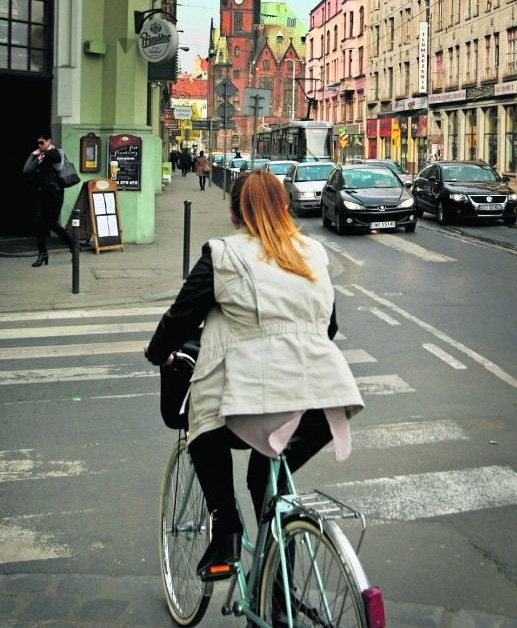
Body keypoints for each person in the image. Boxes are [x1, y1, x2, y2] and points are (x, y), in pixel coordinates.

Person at [145, 170, 363, 580]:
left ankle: (226, 530)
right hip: (319, 401)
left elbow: (178, 319)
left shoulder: (223, 254)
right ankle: (279, 603)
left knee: (203, 425)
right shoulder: (313, 253)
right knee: (269, 485)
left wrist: (157, 352)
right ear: (285, 207)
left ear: (233, 212)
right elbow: (328, 327)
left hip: (257, 401)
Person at [22, 134, 73, 267]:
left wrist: (44, 154)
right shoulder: (40, 155)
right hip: (41, 194)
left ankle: (73, 247)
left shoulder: (55, 153)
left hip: (55, 194)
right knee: (39, 223)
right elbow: (26, 169)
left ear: (49, 141)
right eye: (37, 143)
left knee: (52, 224)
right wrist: (34, 154)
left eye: (42, 142)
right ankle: (42, 254)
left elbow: (54, 158)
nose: (39, 145)